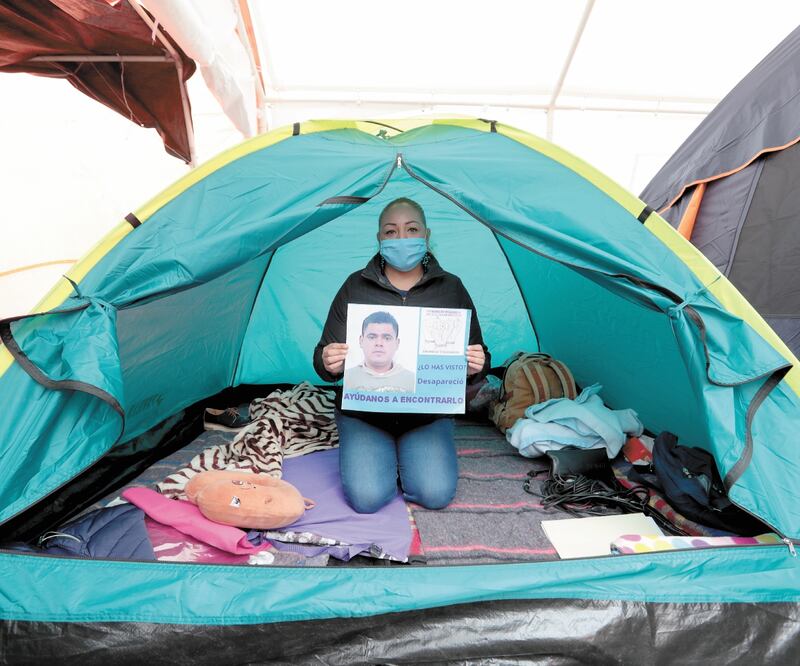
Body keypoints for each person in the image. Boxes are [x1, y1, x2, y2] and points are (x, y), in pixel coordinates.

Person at [313, 197, 490, 513]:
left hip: (427, 415)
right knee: (366, 498)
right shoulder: (354, 285)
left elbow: (479, 356)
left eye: (411, 229)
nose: (402, 238)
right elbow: (323, 360)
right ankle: (379, 455)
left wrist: (475, 365)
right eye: (391, 232)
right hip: (365, 414)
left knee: (435, 494)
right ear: (379, 238)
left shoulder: (452, 288)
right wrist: (328, 361)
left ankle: (404, 457)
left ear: (427, 234)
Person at [343, 310, 416, 393]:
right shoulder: (347, 377)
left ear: (397, 343)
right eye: (372, 337)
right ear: (361, 341)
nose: (379, 343)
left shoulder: (412, 381)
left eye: (387, 338)